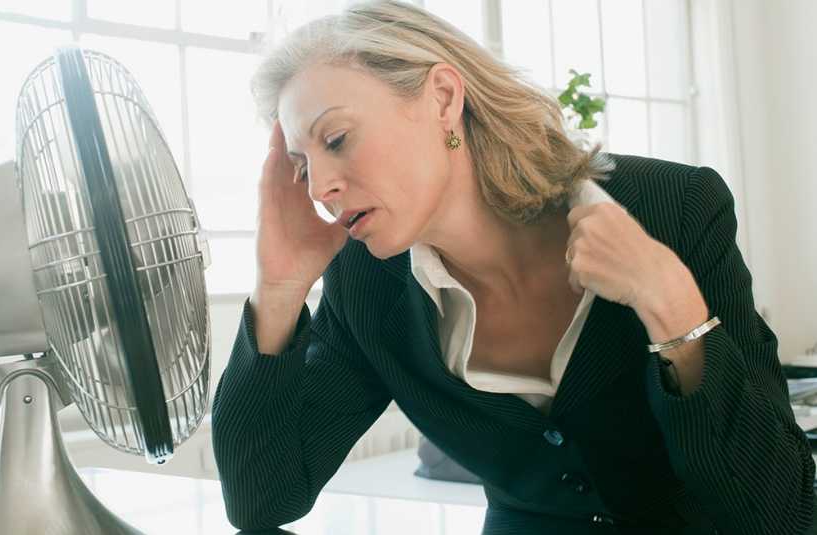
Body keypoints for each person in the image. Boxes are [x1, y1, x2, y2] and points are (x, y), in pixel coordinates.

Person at [211, 1, 816, 533]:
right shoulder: (365, 284)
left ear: (443, 98)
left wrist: (669, 302)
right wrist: (280, 288)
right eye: (300, 165)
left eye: (336, 139)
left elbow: (782, 516)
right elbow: (262, 500)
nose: (321, 187)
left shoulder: (676, 207)